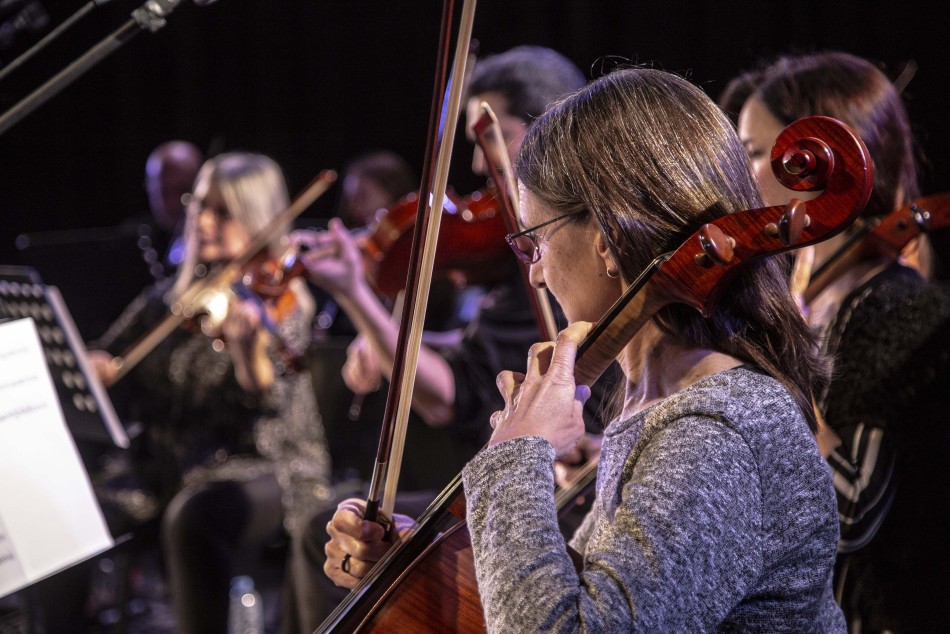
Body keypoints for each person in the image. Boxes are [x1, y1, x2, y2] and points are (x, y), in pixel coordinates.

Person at [321, 66, 846, 630]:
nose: (539, 273)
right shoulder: (660, 402)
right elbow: (581, 591)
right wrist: (432, 563)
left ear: (608, 241)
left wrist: (517, 453)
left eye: (538, 239)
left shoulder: (712, 429)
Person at [280, 45, 590, 634]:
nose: (478, 166)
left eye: (488, 139)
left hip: (532, 494)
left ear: (544, 132)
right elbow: (478, 356)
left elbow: (452, 396)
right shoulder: (518, 267)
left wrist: (359, 299)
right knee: (342, 528)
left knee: (332, 526)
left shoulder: (568, 266)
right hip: (499, 480)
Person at [734, 51, 950, 632]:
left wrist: (777, 368)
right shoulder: (810, 300)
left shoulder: (895, 308)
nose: (741, 177)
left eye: (756, 154)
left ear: (820, 164)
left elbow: (852, 507)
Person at [88, 152, 333, 633]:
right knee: (79, 508)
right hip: (167, 463)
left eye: (224, 211)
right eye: (199, 205)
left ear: (258, 217)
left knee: (193, 517)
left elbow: (269, 406)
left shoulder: (280, 303)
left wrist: (248, 356)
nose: (203, 221)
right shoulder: (170, 299)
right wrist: (97, 367)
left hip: (267, 466)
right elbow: (111, 354)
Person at [143, 140, 204, 276]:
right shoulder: (140, 236)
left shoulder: (208, 244)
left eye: (182, 190)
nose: (173, 202)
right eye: (163, 192)